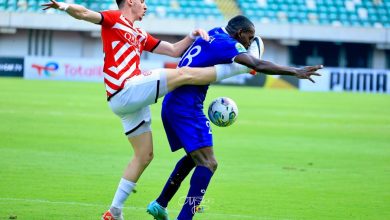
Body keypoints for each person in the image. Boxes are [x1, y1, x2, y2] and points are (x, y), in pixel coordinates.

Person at [41, 1, 270, 220]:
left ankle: (115, 211)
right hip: (126, 88)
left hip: (129, 102)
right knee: (184, 74)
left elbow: (173, 50)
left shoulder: (140, 34)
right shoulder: (114, 18)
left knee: (144, 156)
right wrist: (64, 6)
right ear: (130, 2)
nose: (146, 6)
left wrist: (191, 35)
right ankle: (244, 67)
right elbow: (84, 14)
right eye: (142, 1)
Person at [146, 15, 323, 220]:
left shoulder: (214, 33)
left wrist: (245, 65)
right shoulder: (229, 45)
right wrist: (294, 71)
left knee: (195, 157)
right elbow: (257, 62)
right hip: (186, 108)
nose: (249, 42)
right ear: (240, 34)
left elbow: (225, 60)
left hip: (173, 100)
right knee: (209, 163)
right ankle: (184, 217)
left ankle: (160, 204)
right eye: (249, 37)